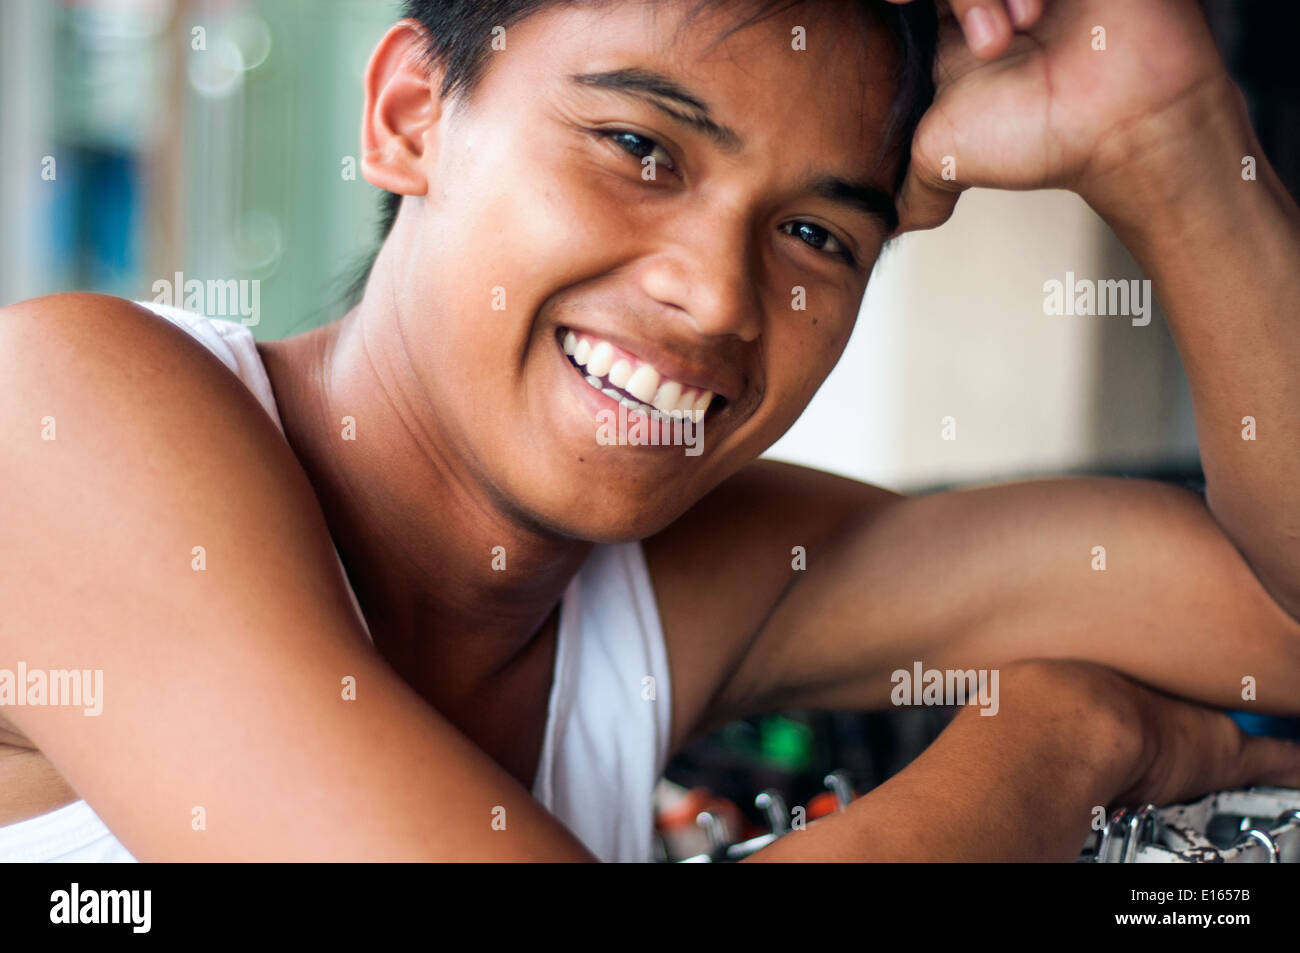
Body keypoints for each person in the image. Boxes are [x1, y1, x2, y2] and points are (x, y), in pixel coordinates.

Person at [1, 0, 1297, 862]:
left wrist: (1169, 144)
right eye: (640, 145)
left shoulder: (679, 584)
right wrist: (1058, 743)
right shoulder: (62, 418)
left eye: (815, 234)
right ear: (410, 116)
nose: (720, 293)